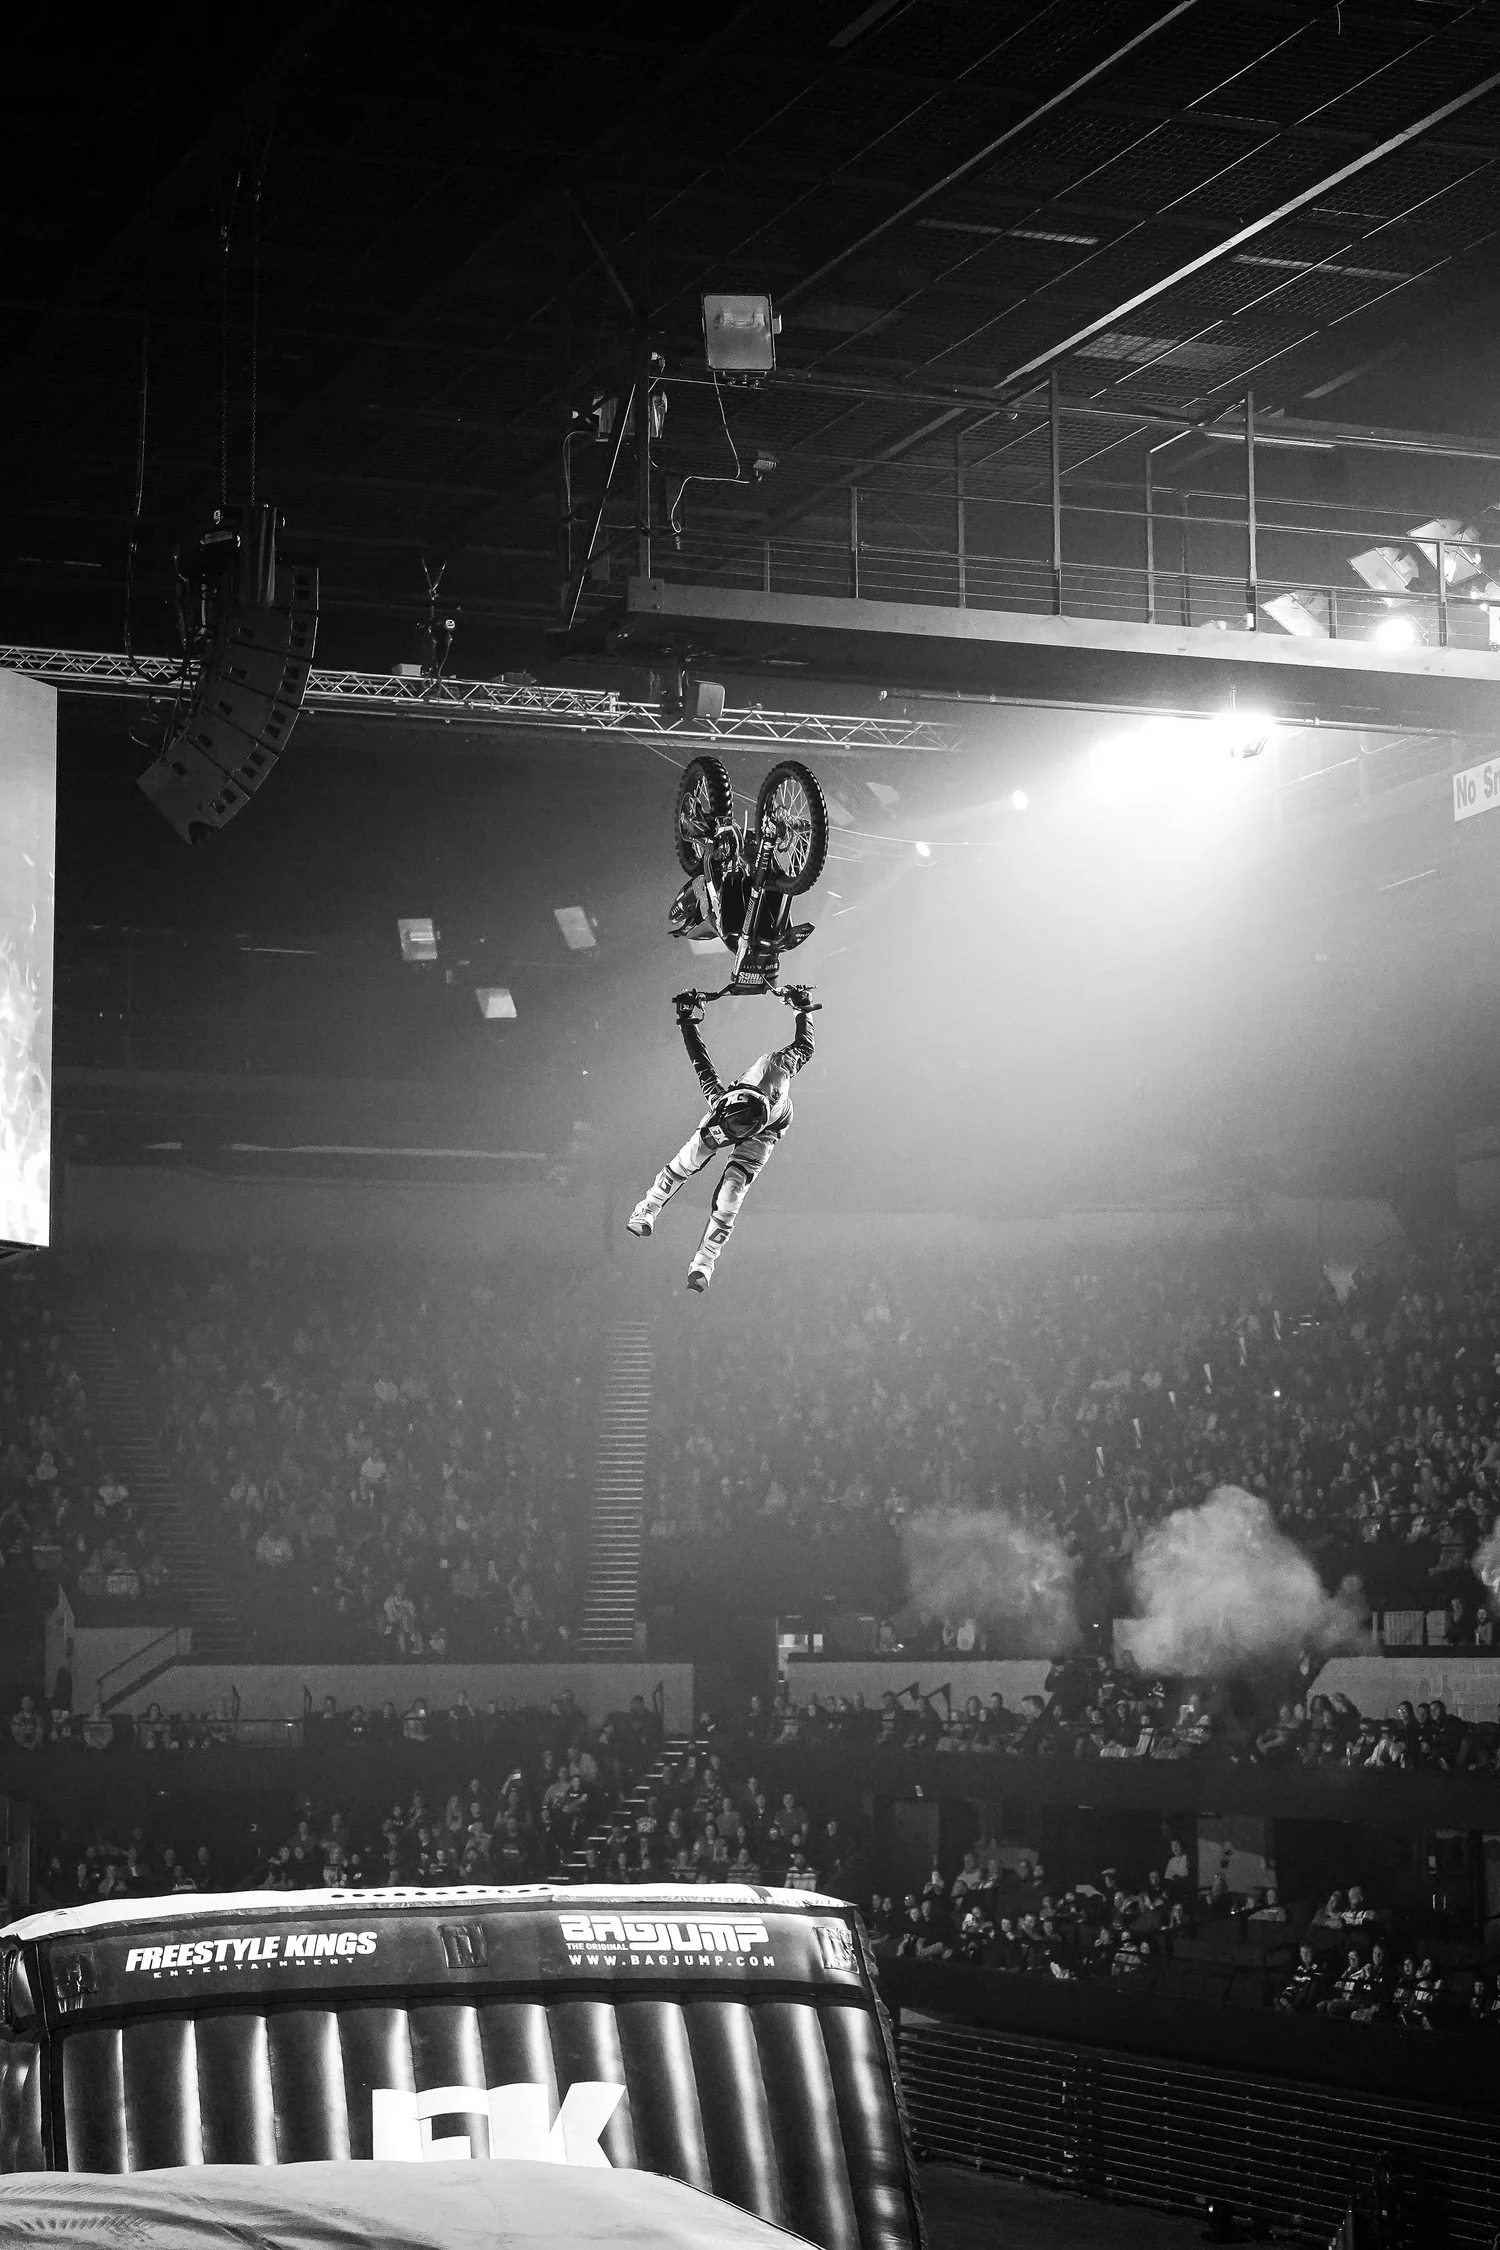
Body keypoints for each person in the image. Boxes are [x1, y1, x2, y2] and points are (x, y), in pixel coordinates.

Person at [627, 986, 817, 1293]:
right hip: (744, 1117)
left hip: (771, 1126)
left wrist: (689, 1020)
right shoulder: (721, 1106)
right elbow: (703, 1066)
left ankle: (705, 1262)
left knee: (732, 1191)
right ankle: (646, 1208)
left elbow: (803, 1049)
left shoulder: (777, 1068)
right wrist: (801, 1009)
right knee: (687, 1160)